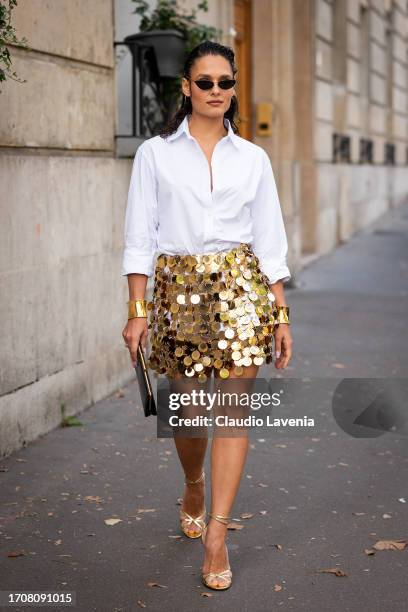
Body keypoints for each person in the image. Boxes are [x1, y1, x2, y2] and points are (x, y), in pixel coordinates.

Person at [121, 40, 293, 591]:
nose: (217, 91)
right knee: (192, 414)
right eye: (206, 82)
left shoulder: (253, 158)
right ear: (187, 88)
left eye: (226, 82)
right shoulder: (156, 154)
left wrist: (281, 314)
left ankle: (218, 532)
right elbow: (139, 237)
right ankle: (193, 480)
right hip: (179, 291)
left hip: (244, 290)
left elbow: (270, 239)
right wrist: (137, 310)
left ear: (233, 88)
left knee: (233, 412)